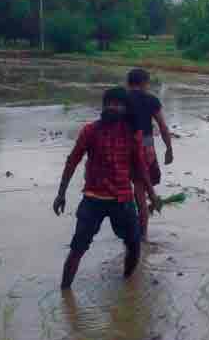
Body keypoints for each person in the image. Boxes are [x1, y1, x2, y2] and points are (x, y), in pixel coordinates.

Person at [53, 87, 159, 290]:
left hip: (122, 200)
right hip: (93, 199)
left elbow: (140, 167)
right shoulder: (90, 131)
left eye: (118, 104)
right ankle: (64, 292)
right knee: (77, 249)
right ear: (104, 106)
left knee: (134, 245)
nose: (113, 107)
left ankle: (128, 289)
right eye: (109, 103)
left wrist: (152, 195)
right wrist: (61, 194)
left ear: (125, 108)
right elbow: (72, 161)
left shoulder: (132, 133)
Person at [126, 68, 173, 240]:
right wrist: (169, 148)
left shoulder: (122, 99)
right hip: (145, 145)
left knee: (128, 189)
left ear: (128, 83)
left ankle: (134, 224)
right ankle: (143, 235)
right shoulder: (151, 100)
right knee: (140, 189)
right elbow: (162, 126)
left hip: (123, 145)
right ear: (144, 83)